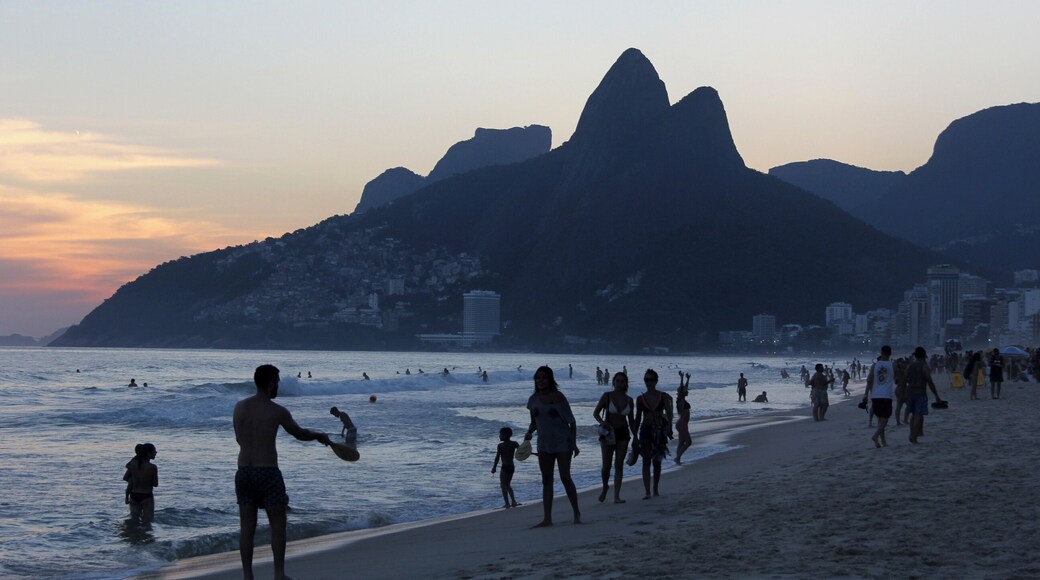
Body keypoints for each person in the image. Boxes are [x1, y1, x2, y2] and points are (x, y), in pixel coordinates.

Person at [234, 364, 332, 580]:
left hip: (243, 472)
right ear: (270, 383)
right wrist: (318, 436)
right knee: (278, 525)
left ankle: (247, 576)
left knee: (246, 528)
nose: (277, 385)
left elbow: (239, 439)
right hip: (267, 472)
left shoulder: (240, 407)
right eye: (276, 381)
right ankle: (279, 575)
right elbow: (299, 433)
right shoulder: (277, 411)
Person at [524, 366, 580, 527]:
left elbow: (572, 421)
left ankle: (576, 513)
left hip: (563, 441)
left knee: (565, 477)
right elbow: (534, 422)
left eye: (544, 377)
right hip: (543, 443)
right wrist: (529, 433)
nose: (540, 380)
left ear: (550, 380)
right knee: (546, 480)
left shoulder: (559, 397)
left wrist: (574, 443)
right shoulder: (533, 399)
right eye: (538, 377)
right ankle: (547, 518)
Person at [592, 372, 636, 503]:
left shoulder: (629, 400)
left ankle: (616, 495)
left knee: (619, 464)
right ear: (613, 382)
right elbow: (596, 413)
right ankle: (605, 487)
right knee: (606, 465)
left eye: (623, 381)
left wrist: (636, 436)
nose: (620, 383)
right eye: (618, 381)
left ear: (626, 383)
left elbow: (631, 420)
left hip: (623, 432)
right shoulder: (607, 396)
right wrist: (602, 422)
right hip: (608, 433)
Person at [633, 369, 673, 499]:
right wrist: (634, 435)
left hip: (659, 430)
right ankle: (647, 491)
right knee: (646, 461)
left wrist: (669, 427)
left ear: (656, 381)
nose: (648, 382)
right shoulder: (640, 399)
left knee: (657, 461)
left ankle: (655, 487)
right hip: (645, 429)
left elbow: (670, 413)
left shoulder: (663, 396)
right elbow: (638, 418)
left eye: (651, 380)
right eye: (646, 380)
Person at [903, 347, 944, 444]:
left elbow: (904, 379)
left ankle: (911, 434)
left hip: (910, 392)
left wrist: (904, 391)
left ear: (915, 355)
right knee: (918, 414)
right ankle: (914, 437)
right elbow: (930, 382)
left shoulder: (910, 366)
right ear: (924, 355)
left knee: (913, 415)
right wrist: (936, 395)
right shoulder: (924, 366)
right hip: (920, 393)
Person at [863, 345, 895, 448]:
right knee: (885, 419)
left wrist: (865, 394)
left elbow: (869, 381)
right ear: (890, 353)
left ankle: (883, 442)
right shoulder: (892, 365)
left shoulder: (874, 366)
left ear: (881, 353)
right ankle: (876, 436)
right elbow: (898, 379)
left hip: (875, 395)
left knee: (880, 419)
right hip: (886, 395)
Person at [123, 443, 157, 523]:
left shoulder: (133, 464)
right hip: (146, 496)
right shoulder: (152, 467)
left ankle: (134, 534)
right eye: (154, 451)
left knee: (134, 521)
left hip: (134, 495)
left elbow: (125, 477)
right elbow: (155, 484)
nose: (156, 453)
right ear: (148, 453)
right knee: (147, 522)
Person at [491, 427, 520, 509]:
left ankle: (507, 503)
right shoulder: (514, 443)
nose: (499, 436)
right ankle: (513, 501)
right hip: (511, 466)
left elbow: (497, 457)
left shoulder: (500, 445)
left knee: (503, 485)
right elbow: (523, 451)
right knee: (508, 484)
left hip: (504, 467)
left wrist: (494, 467)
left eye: (501, 434)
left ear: (506, 435)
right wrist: (533, 453)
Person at [674, 372, 692, 464]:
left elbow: (684, 387)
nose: (687, 391)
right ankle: (677, 458)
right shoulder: (680, 400)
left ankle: (678, 460)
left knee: (681, 442)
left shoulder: (683, 399)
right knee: (688, 442)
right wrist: (681, 378)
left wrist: (688, 379)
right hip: (682, 423)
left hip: (683, 423)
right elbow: (682, 388)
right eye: (686, 390)